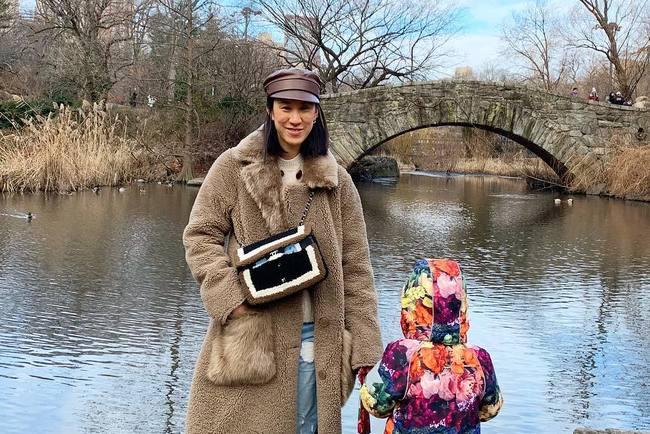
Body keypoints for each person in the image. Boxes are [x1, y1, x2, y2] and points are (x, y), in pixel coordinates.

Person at [182, 67, 383, 434]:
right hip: (251, 334)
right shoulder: (233, 167)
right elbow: (200, 237)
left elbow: (356, 266)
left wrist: (365, 342)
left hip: (318, 338)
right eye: (285, 107)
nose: (295, 118)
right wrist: (231, 299)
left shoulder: (338, 182)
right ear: (270, 110)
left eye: (304, 108)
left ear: (316, 113)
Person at [359, 259, 503, 434]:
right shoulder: (479, 358)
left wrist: (370, 375)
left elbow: (376, 405)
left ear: (412, 303)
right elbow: (490, 409)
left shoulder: (402, 354)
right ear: (461, 303)